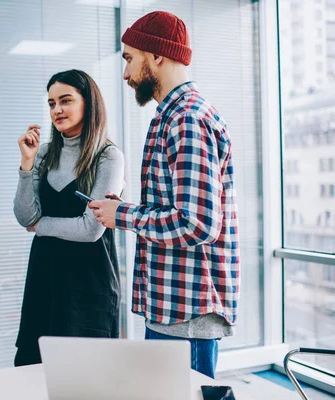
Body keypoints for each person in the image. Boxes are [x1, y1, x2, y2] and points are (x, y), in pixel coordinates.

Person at [89, 11, 240, 379]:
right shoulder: (172, 116)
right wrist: (123, 208)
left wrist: (121, 216)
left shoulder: (187, 119)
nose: (125, 74)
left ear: (156, 55)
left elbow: (198, 224)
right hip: (173, 309)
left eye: (129, 58)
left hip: (185, 315)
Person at [13, 69, 125, 367]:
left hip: (89, 284)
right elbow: (25, 216)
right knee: (33, 373)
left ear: (89, 103)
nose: (57, 110)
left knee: (85, 379)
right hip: (44, 279)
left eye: (65, 100)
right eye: (51, 103)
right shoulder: (43, 153)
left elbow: (91, 230)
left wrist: (41, 226)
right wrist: (26, 164)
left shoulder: (108, 157)